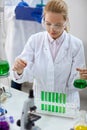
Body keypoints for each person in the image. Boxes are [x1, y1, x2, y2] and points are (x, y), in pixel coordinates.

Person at [12, 0, 85, 108]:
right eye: (48, 23)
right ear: (43, 20)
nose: (52, 29)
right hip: (40, 102)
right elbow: (24, 76)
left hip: (67, 105)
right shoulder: (35, 40)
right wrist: (19, 70)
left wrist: (81, 79)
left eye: (58, 25)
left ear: (66, 22)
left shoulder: (76, 45)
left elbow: (74, 85)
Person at [4, 0, 48, 90]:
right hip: (18, 36)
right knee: (16, 72)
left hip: (38, 34)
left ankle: (39, 99)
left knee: (40, 73)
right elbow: (6, 10)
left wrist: (44, 17)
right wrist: (15, 9)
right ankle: (15, 96)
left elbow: (54, 11)